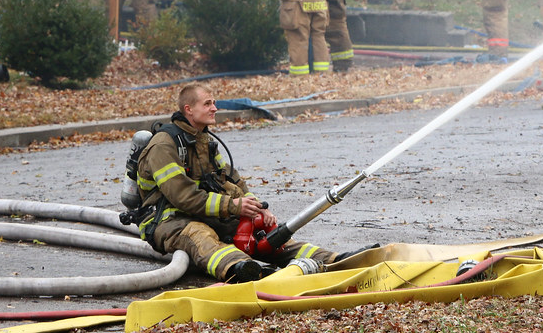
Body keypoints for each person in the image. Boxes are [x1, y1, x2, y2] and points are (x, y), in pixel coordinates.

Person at [133, 84, 368, 283]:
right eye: (207, 104)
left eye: (214, 102)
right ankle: (245, 271)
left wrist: (257, 207)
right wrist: (235, 206)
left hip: (202, 213)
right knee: (200, 234)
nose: (214, 108)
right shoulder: (164, 145)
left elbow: (231, 181)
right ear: (188, 109)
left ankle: (334, 260)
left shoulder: (204, 141)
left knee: (268, 235)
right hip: (168, 220)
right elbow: (184, 197)